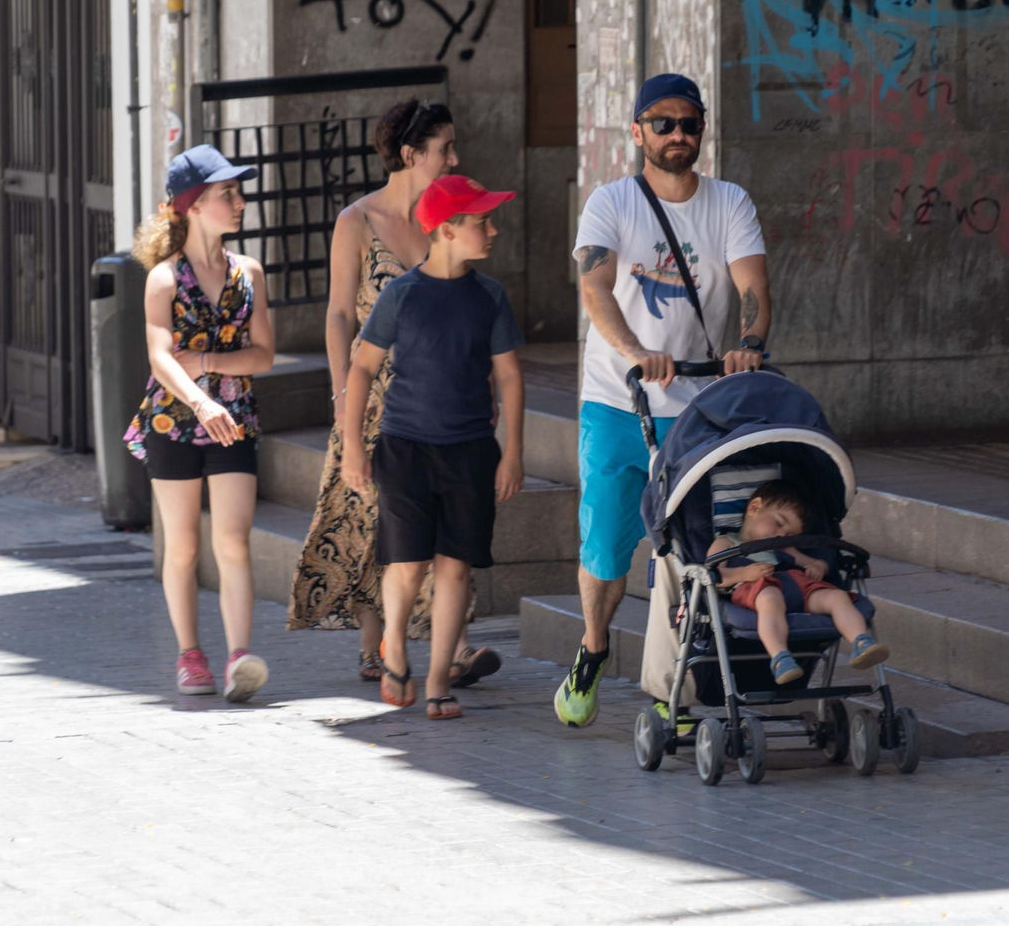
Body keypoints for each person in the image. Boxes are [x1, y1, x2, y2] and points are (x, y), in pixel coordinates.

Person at [553, 73, 773, 728]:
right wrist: (633, 354)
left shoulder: (729, 202)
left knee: (685, 552)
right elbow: (596, 290)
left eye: (690, 124)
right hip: (616, 404)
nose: (679, 135)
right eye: (664, 124)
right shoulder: (611, 202)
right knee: (605, 547)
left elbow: (752, 284)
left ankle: (667, 687)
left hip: (696, 409)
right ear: (638, 131)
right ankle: (594, 648)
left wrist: (750, 341)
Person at [289, 99, 500, 689]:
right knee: (368, 523)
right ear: (412, 154)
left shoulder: (447, 219)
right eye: (444, 148)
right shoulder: (357, 221)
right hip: (373, 393)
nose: (454, 157)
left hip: (442, 392)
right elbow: (337, 314)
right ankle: (376, 643)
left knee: (437, 521)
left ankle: (448, 646)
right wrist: (340, 398)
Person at [340, 175, 525, 720]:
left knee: (456, 569)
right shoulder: (402, 295)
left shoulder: (490, 296)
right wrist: (354, 446)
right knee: (407, 563)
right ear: (446, 229)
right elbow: (362, 368)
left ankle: (440, 680)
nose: (492, 230)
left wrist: (513, 452)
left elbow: (510, 378)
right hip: (405, 449)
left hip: (470, 451)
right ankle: (393, 641)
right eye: (481, 221)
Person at [125, 144, 274, 702]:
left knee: (233, 539)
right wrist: (201, 401)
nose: (238, 202)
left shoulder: (249, 272)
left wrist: (211, 366)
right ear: (192, 206)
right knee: (183, 547)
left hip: (234, 420)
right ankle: (191, 655)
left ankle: (240, 656)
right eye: (225, 194)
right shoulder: (163, 279)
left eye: (237, 192)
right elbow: (160, 358)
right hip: (174, 423)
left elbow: (263, 355)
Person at [709, 479, 889, 682]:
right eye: (778, 523)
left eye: (790, 535)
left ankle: (861, 642)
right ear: (754, 507)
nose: (782, 535)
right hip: (755, 589)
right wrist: (744, 574)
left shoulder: (782, 546)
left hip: (794, 585)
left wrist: (817, 566)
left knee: (837, 596)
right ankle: (780, 658)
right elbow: (713, 577)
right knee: (770, 597)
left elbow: (813, 562)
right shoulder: (725, 542)